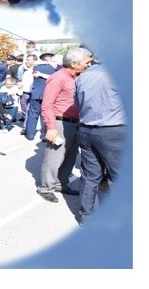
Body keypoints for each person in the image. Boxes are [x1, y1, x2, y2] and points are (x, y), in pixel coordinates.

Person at [36, 47, 93, 202]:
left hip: (76, 122)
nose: (89, 65)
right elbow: (47, 105)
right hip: (60, 122)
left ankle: (61, 184)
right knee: (54, 157)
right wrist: (51, 128)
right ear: (74, 63)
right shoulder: (58, 78)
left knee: (70, 156)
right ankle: (46, 188)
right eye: (86, 62)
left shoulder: (80, 77)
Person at [74, 57, 125, 223]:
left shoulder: (84, 75)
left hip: (87, 129)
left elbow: (77, 102)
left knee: (90, 176)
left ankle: (86, 217)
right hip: (113, 130)